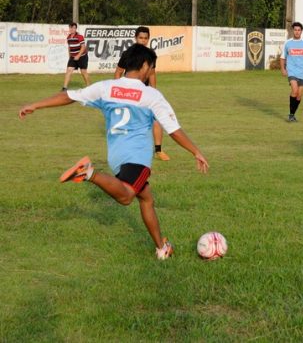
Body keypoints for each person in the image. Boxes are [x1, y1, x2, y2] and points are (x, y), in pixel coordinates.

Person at [19, 44, 209, 260]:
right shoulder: (151, 95)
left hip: (116, 157)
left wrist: (36, 105)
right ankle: (88, 172)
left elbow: (69, 96)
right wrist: (196, 151)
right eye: (152, 68)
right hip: (137, 157)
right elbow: (173, 130)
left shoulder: (106, 88)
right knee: (128, 196)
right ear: (145, 65)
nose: (151, 72)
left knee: (146, 198)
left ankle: (161, 248)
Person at [115, 26, 170, 161]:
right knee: (130, 122)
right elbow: (118, 72)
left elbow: (151, 73)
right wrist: (118, 91)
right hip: (129, 93)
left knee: (156, 117)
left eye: (145, 38)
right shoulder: (128, 53)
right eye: (140, 38)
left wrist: (154, 91)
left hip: (144, 92)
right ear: (135, 38)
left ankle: (158, 150)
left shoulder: (150, 55)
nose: (143, 41)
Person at [280, 22, 303, 122]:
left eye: (298, 30)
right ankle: (291, 115)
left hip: (302, 73)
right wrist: (283, 69)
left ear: (301, 31)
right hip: (291, 71)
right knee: (294, 91)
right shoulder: (288, 43)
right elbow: (282, 57)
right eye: (295, 30)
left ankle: (292, 114)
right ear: (292, 31)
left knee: (299, 95)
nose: (297, 32)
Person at [62, 22, 90, 91]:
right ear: (69, 28)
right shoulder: (68, 37)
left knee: (83, 72)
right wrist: (70, 56)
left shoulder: (79, 36)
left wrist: (78, 55)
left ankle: (89, 87)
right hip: (73, 57)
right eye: (71, 27)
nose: (72, 29)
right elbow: (69, 47)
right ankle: (64, 88)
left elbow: (83, 47)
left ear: (75, 29)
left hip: (82, 56)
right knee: (69, 70)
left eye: (74, 28)